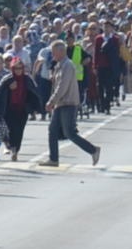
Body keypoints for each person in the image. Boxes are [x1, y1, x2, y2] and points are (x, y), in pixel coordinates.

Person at [41, 40, 99, 168]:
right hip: (61, 103)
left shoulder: (67, 65)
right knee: (53, 130)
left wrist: (51, 101)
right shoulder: (59, 65)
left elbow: (62, 86)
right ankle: (53, 159)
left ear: (61, 51)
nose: (53, 55)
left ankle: (93, 150)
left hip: (68, 103)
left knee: (69, 133)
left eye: (54, 52)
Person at [0, 54, 44, 161]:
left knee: (19, 131)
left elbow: (35, 92)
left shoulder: (27, 79)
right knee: (9, 130)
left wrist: (35, 108)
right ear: (12, 68)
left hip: (22, 109)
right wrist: (8, 89)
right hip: (8, 109)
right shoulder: (7, 79)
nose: (18, 70)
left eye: (20, 68)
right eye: (16, 68)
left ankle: (15, 151)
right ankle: (9, 145)